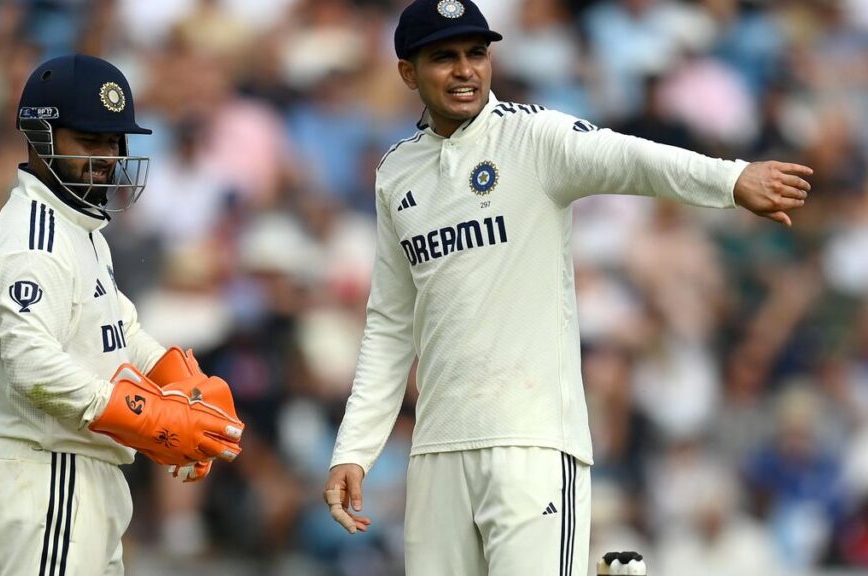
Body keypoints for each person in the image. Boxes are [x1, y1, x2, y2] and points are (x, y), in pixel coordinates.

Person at [322, 1, 813, 575]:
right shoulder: (396, 173)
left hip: (532, 444)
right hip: (436, 452)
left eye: (476, 53)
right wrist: (354, 449)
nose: (465, 70)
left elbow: (629, 158)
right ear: (408, 72)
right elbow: (389, 325)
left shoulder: (532, 137)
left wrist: (731, 179)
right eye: (443, 57)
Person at [0, 54, 245, 576]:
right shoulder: (33, 240)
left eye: (114, 142)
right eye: (90, 141)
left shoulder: (78, 227)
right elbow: (32, 365)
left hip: (81, 470)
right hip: (48, 470)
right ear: (39, 136)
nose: (108, 157)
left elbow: (120, 330)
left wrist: (181, 387)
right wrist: (152, 419)